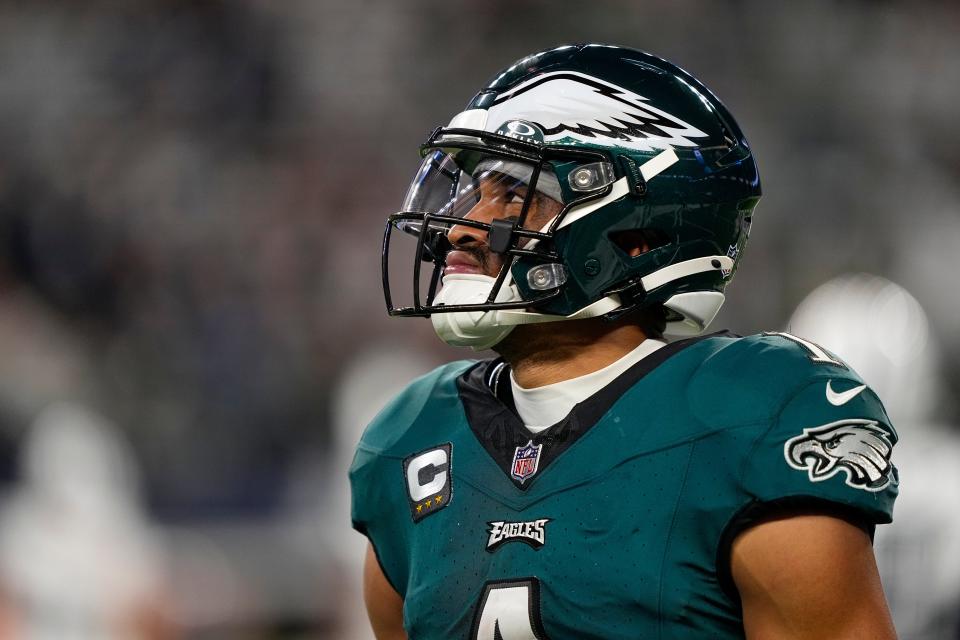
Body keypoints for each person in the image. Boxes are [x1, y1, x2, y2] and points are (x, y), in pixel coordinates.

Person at [350, 44, 898, 639]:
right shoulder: (410, 438)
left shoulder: (750, 414)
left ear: (637, 233)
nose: (460, 226)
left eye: (514, 196)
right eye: (474, 192)